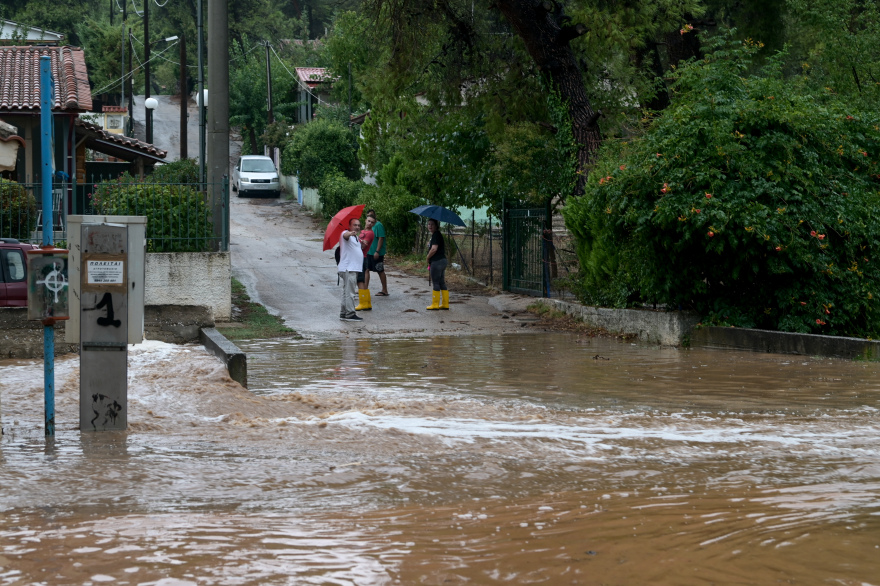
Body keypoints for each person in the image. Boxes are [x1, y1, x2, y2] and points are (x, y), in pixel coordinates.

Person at [338, 218, 364, 321]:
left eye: (358, 225)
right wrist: (350, 233)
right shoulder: (345, 233)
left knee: (346, 291)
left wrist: (362, 245)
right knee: (350, 292)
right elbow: (345, 236)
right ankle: (350, 313)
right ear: (349, 226)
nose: (357, 227)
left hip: (352, 268)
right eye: (355, 225)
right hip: (349, 268)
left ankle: (344, 313)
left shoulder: (356, 238)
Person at [425, 218, 449, 310]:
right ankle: (445, 304)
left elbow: (434, 249)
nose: (430, 226)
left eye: (432, 224)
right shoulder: (437, 235)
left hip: (436, 261)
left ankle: (435, 304)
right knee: (441, 282)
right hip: (443, 261)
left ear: (436, 226)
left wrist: (428, 257)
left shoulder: (435, 235)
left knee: (436, 282)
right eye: (429, 224)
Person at [365, 209, 389, 296]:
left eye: (372, 215)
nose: (370, 218)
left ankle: (384, 290)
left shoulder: (378, 225)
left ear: (375, 216)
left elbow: (381, 238)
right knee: (366, 269)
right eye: (368, 216)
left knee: (380, 270)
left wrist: (377, 251)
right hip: (369, 252)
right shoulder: (368, 226)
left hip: (376, 252)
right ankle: (364, 288)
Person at [355, 216, 376, 311]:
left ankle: (363, 303)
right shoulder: (363, 231)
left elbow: (362, 246)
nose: (370, 223)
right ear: (365, 221)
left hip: (362, 257)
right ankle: (367, 303)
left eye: (372, 222)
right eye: (369, 221)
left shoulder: (370, 233)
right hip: (360, 257)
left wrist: (356, 242)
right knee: (362, 280)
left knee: (360, 280)